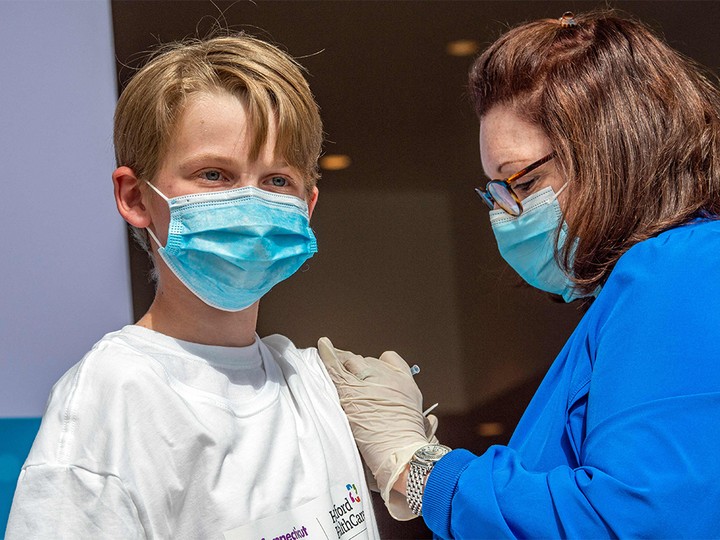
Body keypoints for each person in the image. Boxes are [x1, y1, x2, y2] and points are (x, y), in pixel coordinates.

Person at [318, 10, 720, 538]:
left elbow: (633, 520)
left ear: (614, 149)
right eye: (496, 192)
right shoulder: (648, 286)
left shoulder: (682, 268)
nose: (506, 215)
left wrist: (421, 471)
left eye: (524, 183)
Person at [7, 34, 381, 539]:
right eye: (214, 175)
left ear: (306, 209)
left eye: (276, 181)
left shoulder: (312, 383)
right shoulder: (112, 403)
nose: (250, 203)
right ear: (137, 197)